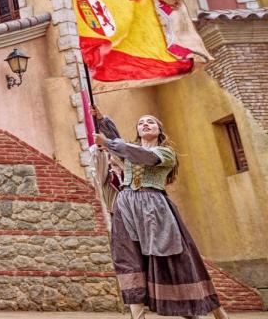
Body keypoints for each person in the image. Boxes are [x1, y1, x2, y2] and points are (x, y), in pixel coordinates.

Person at [94, 107, 229, 319]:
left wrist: (109, 143)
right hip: (126, 205)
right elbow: (124, 146)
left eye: (150, 122)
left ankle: (207, 312)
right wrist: (102, 120)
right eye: (141, 123)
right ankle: (138, 316)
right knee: (128, 258)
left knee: (175, 258)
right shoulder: (129, 149)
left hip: (154, 207)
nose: (145, 124)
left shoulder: (165, 153)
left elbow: (143, 156)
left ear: (160, 130)